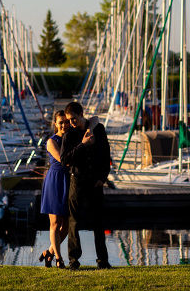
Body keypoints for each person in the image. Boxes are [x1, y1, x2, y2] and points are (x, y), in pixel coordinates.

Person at [59, 101, 112, 270]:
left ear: (81, 114)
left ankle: (103, 261)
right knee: (74, 221)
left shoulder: (99, 129)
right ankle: (73, 261)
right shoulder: (69, 135)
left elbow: (106, 155)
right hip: (77, 181)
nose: (71, 122)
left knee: (99, 222)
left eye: (73, 119)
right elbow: (64, 160)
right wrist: (83, 145)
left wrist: (102, 178)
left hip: (95, 182)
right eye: (69, 120)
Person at [38, 110, 70, 268]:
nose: (64, 125)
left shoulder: (71, 138)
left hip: (68, 180)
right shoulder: (52, 141)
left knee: (67, 226)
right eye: (61, 122)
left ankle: (48, 253)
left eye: (66, 121)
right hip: (56, 180)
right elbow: (63, 161)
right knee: (55, 223)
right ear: (55, 124)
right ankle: (59, 258)